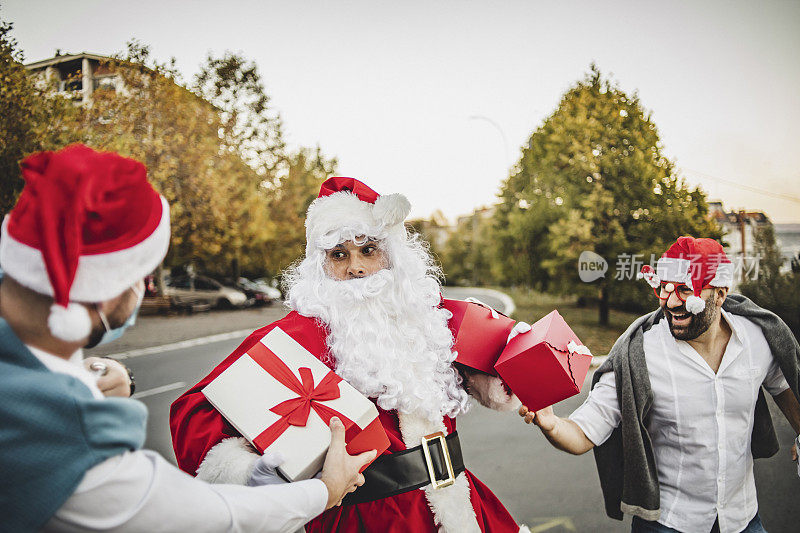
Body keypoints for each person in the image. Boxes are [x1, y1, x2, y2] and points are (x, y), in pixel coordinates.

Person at [0, 144, 371, 533]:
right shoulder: (66, 434)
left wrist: (94, 376)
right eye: (144, 278)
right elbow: (206, 517)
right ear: (108, 289)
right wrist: (326, 491)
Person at [170, 177, 530, 532]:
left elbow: (512, 361)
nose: (355, 267)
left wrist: (514, 377)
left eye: (368, 250)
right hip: (367, 519)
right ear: (321, 264)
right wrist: (259, 470)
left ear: (391, 255)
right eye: (339, 255)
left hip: (460, 503)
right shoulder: (298, 334)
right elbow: (194, 411)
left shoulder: (432, 315)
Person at [519, 236, 800, 533]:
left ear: (719, 294)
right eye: (664, 289)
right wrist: (550, 423)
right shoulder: (638, 355)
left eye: (684, 290)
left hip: (743, 518)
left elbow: (784, 385)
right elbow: (584, 433)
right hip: (669, 523)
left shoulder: (757, 339)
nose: (672, 301)